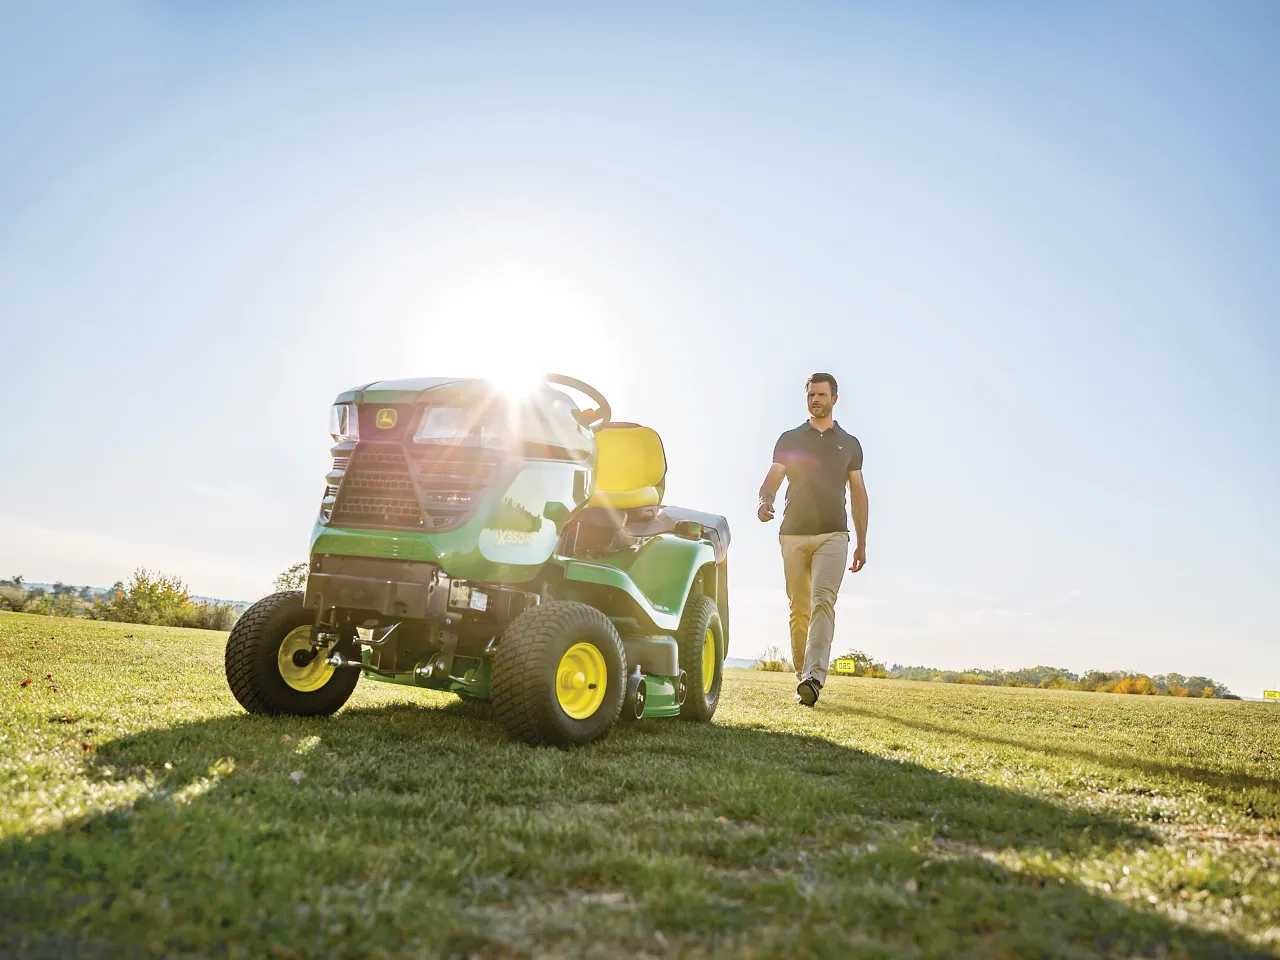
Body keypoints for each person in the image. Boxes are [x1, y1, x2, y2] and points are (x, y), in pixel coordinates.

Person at [757, 373, 869, 707]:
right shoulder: (790, 438)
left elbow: (859, 493)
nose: (815, 400)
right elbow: (771, 480)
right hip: (792, 532)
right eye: (811, 395)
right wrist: (765, 501)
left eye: (821, 394)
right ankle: (802, 675)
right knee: (799, 608)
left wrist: (861, 542)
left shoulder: (849, 444)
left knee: (823, 601)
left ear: (835, 398)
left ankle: (813, 678)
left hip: (834, 534)